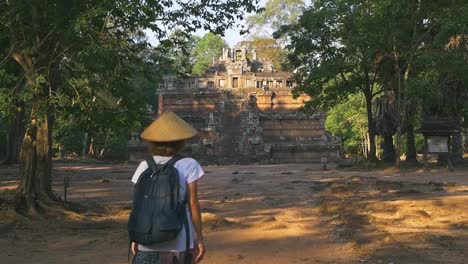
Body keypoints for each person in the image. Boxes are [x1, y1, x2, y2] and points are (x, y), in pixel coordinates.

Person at [130, 111, 206, 264]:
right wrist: (199, 238)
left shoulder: (144, 165)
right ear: (180, 141)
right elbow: (193, 204)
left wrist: (135, 236)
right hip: (179, 242)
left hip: (146, 239)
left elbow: (139, 204)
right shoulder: (189, 164)